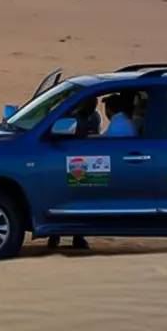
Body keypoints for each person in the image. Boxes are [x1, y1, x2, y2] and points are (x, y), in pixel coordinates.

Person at [47, 96, 101, 251]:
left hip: (72, 162)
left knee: (64, 196)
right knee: (79, 197)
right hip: (85, 163)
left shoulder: (74, 118)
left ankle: (56, 236)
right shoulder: (94, 118)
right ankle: (76, 236)